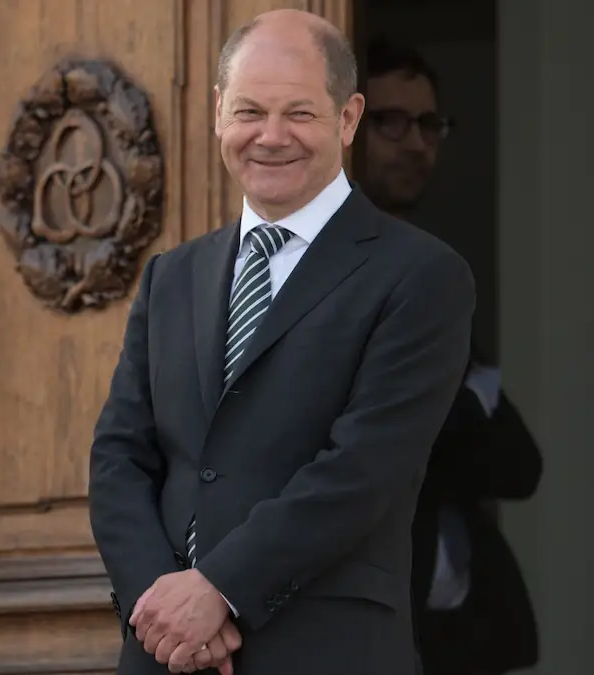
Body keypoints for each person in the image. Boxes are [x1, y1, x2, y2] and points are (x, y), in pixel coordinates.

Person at [88, 9, 475, 675]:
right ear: (217, 114)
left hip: (324, 648)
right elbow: (119, 457)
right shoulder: (171, 277)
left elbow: (362, 468)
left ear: (348, 119)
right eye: (248, 111)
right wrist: (164, 606)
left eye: (299, 113)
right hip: (167, 656)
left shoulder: (421, 275)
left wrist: (219, 588)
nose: (270, 136)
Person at [362, 38, 542, 675]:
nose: (416, 143)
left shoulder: (433, 275)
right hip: (365, 624)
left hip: (459, 631)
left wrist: (445, 428)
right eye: (391, 122)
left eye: (429, 124)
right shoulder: (322, 278)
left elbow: (518, 463)